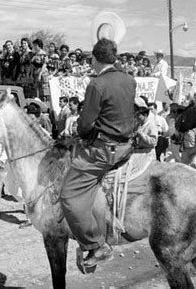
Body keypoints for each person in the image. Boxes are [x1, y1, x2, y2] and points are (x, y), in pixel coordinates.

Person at [61, 38, 136, 272]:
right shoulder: (129, 80)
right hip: (127, 145)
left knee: (68, 195)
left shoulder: (96, 84)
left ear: (94, 59)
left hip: (104, 151)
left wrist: (80, 130)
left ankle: (95, 246)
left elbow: (85, 125)